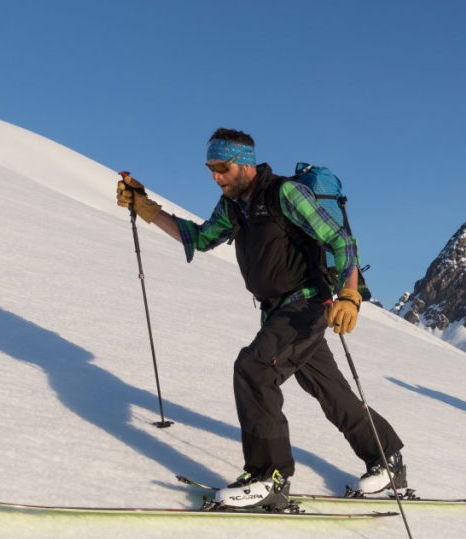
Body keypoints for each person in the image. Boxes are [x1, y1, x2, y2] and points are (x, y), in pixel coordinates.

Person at [115, 129, 405, 510]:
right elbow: (199, 239)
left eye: (222, 167)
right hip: (276, 312)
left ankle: (269, 477)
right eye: (210, 169)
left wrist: (349, 295)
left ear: (245, 163)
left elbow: (340, 241)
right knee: (331, 391)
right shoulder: (233, 206)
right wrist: (146, 208)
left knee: (254, 369)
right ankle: (387, 460)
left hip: (306, 305)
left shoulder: (285, 194)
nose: (215, 177)